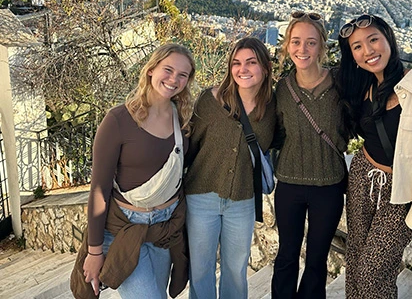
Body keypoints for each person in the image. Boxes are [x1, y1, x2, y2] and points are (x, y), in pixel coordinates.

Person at [336, 14, 412, 299]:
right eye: (357, 46)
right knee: (355, 257)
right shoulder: (363, 85)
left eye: (373, 40)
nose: (367, 51)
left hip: (401, 190)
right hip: (362, 175)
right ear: (352, 56)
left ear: (389, 40)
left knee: (373, 272)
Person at [73, 43, 195, 299]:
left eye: (183, 75)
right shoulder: (118, 120)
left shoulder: (183, 119)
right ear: (151, 70)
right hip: (124, 229)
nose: (174, 79)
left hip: (163, 229)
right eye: (168, 69)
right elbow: (99, 190)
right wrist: (95, 251)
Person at [183, 37, 277, 299]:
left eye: (250, 62)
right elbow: (190, 146)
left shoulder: (273, 107)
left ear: (266, 67)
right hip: (202, 196)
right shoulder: (209, 101)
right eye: (236, 63)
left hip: (244, 200)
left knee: (236, 272)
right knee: (200, 271)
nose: (242, 69)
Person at [271, 12, 348, 299]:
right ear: (287, 46)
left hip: (328, 183)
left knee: (317, 258)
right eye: (296, 41)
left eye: (311, 43)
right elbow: (276, 132)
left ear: (321, 47)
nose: (302, 50)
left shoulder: (340, 85)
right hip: (290, 182)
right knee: (287, 255)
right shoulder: (283, 88)